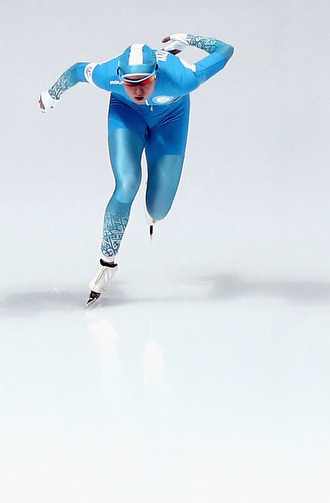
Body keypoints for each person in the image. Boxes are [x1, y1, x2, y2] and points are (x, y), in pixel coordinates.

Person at [38, 33, 234, 305]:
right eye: (131, 83)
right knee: (127, 183)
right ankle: (107, 264)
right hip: (126, 113)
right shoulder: (108, 74)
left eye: (145, 82)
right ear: (120, 76)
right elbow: (76, 71)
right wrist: (51, 95)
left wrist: (187, 39)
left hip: (172, 118)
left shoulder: (183, 78)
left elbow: (226, 50)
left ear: (156, 73)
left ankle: (153, 207)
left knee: (158, 210)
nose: (139, 90)